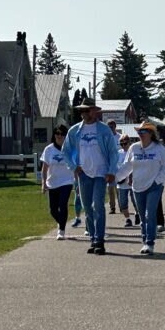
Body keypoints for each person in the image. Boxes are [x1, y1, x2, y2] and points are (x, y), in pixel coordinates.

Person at [63, 97, 118, 256]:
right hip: (84, 174)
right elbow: (66, 151)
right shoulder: (75, 131)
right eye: (82, 110)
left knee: (98, 206)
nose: (85, 113)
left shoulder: (104, 130)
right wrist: (74, 166)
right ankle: (93, 239)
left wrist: (111, 171)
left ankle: (100, 241)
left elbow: (113, 153)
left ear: (94, 111)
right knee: (87, 208)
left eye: (88, 110)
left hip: (101, 173)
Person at [116, 121, 165, 255]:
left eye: (143, 131)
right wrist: (114, 177)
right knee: (142, 217)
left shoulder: (159, 148)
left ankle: (150, 243)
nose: (140, 134)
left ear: (151, 133)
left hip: (154, 186)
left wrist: (157, 182)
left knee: (149, 214)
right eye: (139, 132)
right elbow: (127, 166)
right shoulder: (134, 148)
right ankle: (144, 239)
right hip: (137, 187)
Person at [41, 125, 74, 240]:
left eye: (62, 134)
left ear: (66, 136)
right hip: (52, 182)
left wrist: (78, 182)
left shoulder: (70, 149)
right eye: (57, 133)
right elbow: (44, 168)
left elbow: (76, 165)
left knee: (63, 204)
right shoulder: (49, 149)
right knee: (53, 209)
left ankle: (61, 230)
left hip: (67, 181)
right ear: (54, 135)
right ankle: (61, 222)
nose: (59, 136)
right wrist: (43, 183)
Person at [117, 134, 140, 228]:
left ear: (129, 143)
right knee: (122, 203)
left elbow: (133, 166)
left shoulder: (133, 151)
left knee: (136, 201)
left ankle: (137, 214)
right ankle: (128, 219)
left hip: (133, 182)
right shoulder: (118, 153)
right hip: (122, 183)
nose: (123, 145)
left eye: (125, 143)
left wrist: (130, 178)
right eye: (121, 144)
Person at [106, 120, 121, 214]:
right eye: (109, 127)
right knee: (110, 188)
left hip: (119, 166)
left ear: (115, 127)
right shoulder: (106, 138)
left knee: (119, 188)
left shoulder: (120, 137)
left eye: (112, 127)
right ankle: (112, 207)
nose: (110, 129)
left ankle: (122, 206)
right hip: (109, 166)